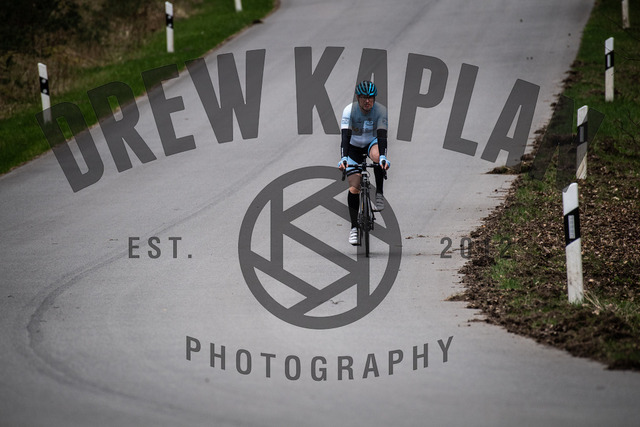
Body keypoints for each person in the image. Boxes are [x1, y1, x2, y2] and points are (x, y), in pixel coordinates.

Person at [338, 80, 390, 245]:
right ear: (358, 98)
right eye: (364, 98)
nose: (367, 101)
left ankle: (379, 192)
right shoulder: (349, 110)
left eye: (370, 98)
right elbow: (345, 137)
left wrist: (383, 157)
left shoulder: (380, 111)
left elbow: (382, 136)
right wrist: (344, 158)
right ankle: (354, 228)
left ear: (374, 98)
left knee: (377, 158)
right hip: (353, 147)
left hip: (371, 143)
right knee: (354, 188)